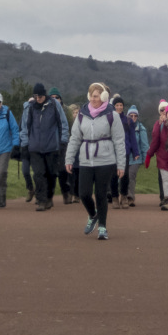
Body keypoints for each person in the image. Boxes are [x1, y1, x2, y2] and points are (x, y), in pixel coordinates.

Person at [65, 82, 126, 240]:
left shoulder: (112, 115)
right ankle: (93, 215)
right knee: (83, 193)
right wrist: (69, 158)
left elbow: (119, 141)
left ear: (104, 97)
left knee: (100, 194)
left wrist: (121, 164)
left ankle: (103, 227)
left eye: (97, 95)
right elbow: (75, 138)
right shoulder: (81, 115)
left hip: (105, 160)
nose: (93, 98)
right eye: (91, 95)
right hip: (85, 160)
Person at [21, 82, 69, 211]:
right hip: (35, 147)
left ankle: (48, 198)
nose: (38, 99)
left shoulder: (54, 105)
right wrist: (25, 144)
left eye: (40, 96)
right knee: (38, 174)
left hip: (52, 147)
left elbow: (63, 124)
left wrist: (63, 142)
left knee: (51, 174)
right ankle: (41, 200)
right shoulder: (30, 108)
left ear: (45, 95)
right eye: (36, 96)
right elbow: (25, 127)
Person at [109, 96, 139, 209]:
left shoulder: (128, 120)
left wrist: (135, 151)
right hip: (112, 151)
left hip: (125, 150)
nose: (119, 107)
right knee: (113, 176)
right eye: (117, 105)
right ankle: (115, 197)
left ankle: (124, 196)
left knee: (125, 175)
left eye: (121, 105)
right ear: (113, 106)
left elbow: (132, 137)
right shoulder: (109, 119)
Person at [49, 87, 74, 204]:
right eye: (52, 97)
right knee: (50, 170)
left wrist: (64, 140)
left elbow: (68, 126)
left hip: (63, 142)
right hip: (49, 143)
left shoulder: (66, 112)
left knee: (62, 169)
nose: (54, 99)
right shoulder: (46, 110)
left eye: (57, 97)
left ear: (60, 99)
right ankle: (49, 195)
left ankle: (66, 192)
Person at [126, 104, 149, 207]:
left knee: (131, 176)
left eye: (135, 116)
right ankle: (122, 195)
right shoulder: (123, 127)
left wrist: (145, 159)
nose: (133, 118)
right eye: (131, 115)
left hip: (136, 159)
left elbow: (145, 145)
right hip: (125, 157)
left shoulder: (141, 129)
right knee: (122, 177)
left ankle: (130, 197)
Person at [154, 100, 168, 206]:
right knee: (161, 177)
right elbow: (155, 136)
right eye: (161, 110)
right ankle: (163, 197)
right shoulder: (157, 123)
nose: (163, 111)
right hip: (161, 154)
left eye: (165, 109)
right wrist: (160, 124)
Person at [67, 104, 82, 203]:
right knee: (71, 175)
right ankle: (70, 194)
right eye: (74, 112)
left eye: (77, 112)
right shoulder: (68, 124)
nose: (75, 114)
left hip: (80, 152)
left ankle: (77, 195)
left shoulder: (82, 123)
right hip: (70, 151)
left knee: (79, 175)